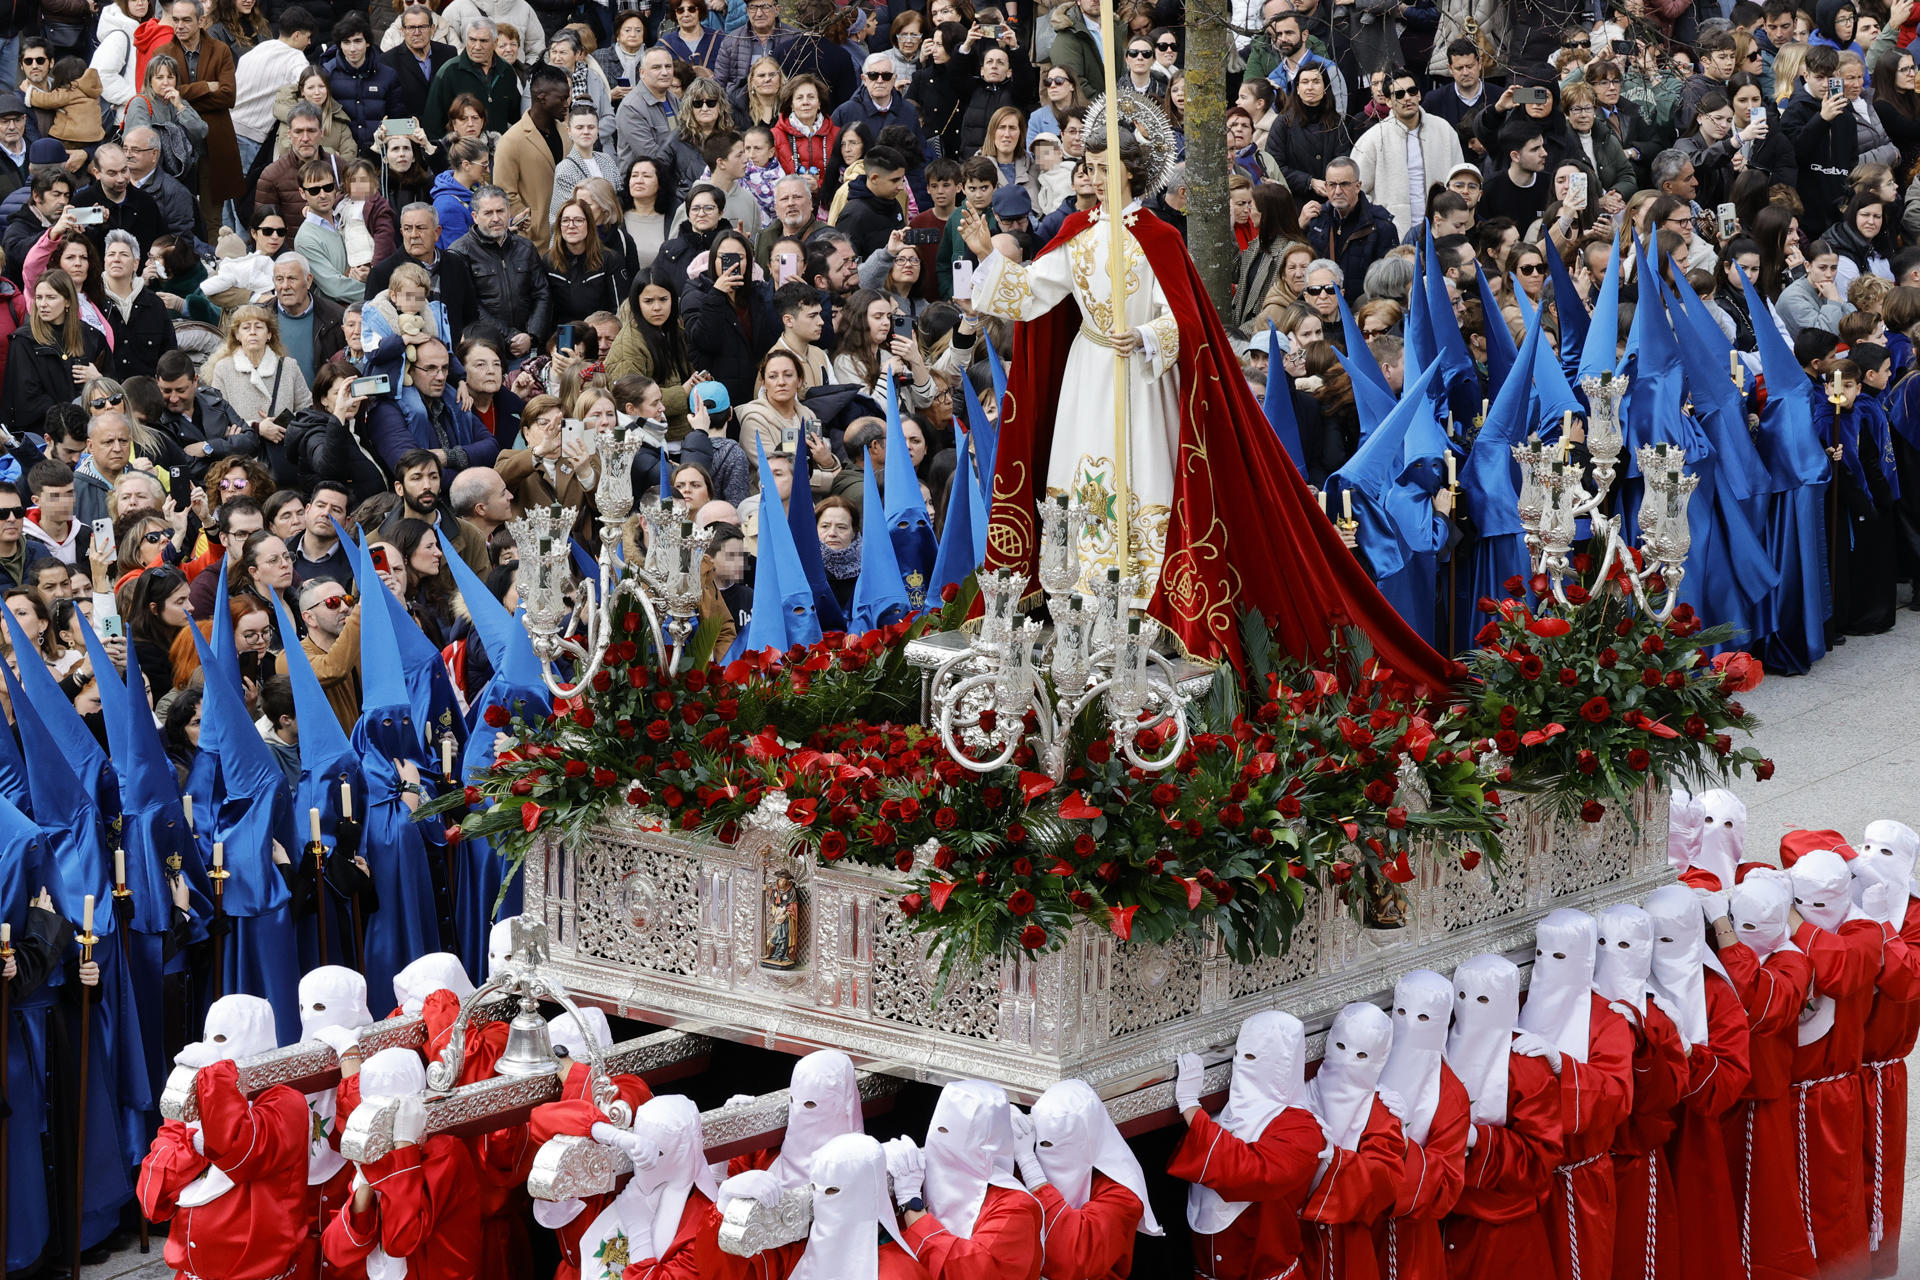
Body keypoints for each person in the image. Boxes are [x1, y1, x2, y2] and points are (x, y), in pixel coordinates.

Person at [138, 996, 311, 1280]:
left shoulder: (286, 1103)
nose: (211, 1049)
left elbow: (241, 1152)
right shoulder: (196, 1097)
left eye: (222, 1038)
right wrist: (194, 1138)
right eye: (208, 1039)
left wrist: (216, 1079)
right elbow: (154, 1188)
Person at [1164, 1012, 1322, 1280]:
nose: (1243, 1064)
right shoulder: (1223, 1112)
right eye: (1240, 1055)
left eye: (1254, 1058)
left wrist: (1191, 1108)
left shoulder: (1303, 1130)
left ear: (1283, 1065)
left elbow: (1251, 1172)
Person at [879, 1079, 1042, 1280]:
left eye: (952, 1134)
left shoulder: (1015, 1208)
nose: (942, 1145)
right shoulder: (916, 1177)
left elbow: (975, 1272)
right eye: (939, 1130)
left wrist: (911, 1206)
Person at [1350, 68, 1467, 238]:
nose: (1407, 97)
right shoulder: (1374, 138)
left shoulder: (1444, 131)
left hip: (1441, 233)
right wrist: (1379, 220)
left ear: (1419, 95)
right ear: (1389, 101)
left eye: (1412, 91)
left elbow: (1459, 180)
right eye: (1399, 94)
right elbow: (1356, 189)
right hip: (1393, 236)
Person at [445, 184, 548, 361]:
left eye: (500, 211)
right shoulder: (459, 253)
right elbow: (470, 306)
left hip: (527, 347)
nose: (496, 218)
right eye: (488, 213)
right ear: (475, 217)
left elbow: (542, 294)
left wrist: (531, 335)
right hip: (484, 350)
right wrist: (509, 336)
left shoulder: (526, 247)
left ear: (509, 213)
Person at [492, 62, 565, 248]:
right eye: (562, 98)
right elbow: (504, 192)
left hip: (568, 239)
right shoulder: (511, 141)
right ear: (542, 98)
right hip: (534, 245)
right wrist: (531, 224)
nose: (567, 104)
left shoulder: (566, 133)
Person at [614, 47, 678, 174]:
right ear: (642, 73)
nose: (665, 72)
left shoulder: (673, 98)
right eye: (656, 67)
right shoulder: (631, 108)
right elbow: (652, 157)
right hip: (643, 184)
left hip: (673, 177)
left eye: (668, 66)